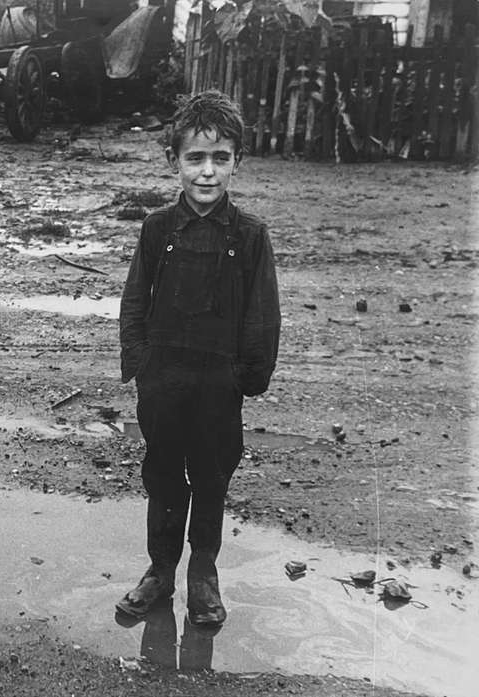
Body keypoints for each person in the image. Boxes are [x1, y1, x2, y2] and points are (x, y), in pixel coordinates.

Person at [116, 90, 280, 628]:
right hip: (163, 381)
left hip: (218, 385)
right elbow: (135, 299)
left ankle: (203, 575)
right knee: (163, 475)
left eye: (220, 159)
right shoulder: (157, 229)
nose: (207, 173)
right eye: (195, 159)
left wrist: (248, 375)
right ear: (174, 162)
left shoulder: (251, 235)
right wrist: (138, 361)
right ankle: (160, 572)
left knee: (211, 477)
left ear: (238, 162)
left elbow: (263, 312)